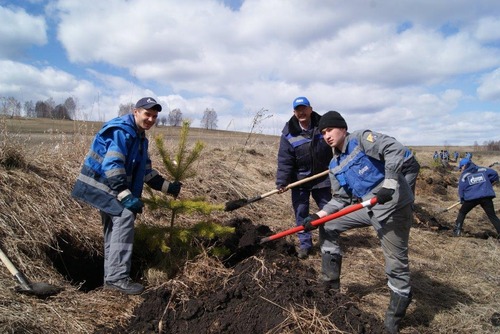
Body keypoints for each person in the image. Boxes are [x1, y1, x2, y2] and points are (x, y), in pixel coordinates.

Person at [301, 111, 414, 334]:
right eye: (323, 133)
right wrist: (319, 216)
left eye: (330, 130)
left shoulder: (361, 139)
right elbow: (340, 199)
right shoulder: (335, 163)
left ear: (342, 128)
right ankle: (331, 289)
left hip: (394, 207)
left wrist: (390, 183)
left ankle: (392, 319)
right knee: (330, 225)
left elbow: (395, 149)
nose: (327, 136)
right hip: (369, 207)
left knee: (395, 263)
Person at [71, 97, 182, 295]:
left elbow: (146, 172)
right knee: (124, 216)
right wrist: (125, 196)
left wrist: (168, 187)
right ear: (135, 112)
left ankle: (110, 280)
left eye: (154, 116)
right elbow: (112, 165)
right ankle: (117, 279)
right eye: (147, 114)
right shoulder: (123, 132)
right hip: (102, 186)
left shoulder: (140, 138)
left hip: (109, 188)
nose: (151, 119)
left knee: (113, 231)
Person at [276, 96, 332, 259]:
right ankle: (305, 245)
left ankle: (328, 242)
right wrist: (282, 181)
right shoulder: (288, 133)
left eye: (304, 109)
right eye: (298, 110)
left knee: (327, 210)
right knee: (301, 212)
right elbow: (285, 160)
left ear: (310, 109)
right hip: (299, 180)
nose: (301, 112)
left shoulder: (324, 125)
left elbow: (339, 141)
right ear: (294, 112)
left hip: (323, 178)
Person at [453, 158, 500, 237]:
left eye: (461, 167)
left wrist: (462, 198)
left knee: (462, 212)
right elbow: (495, 174)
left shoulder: (464, 175)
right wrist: (488, 181)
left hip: (472, 198)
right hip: (486, 196)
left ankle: (457, 231)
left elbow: (461, 188)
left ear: (465, 165)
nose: (461, 169)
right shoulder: (482, 169)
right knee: (492, 216)